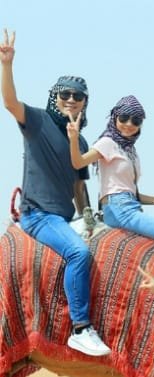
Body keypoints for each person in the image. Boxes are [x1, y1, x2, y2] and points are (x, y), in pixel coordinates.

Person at [0, 29, 111, 357]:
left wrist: (89, 216)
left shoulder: (81, 142)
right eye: (65, 94)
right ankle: (80, 328)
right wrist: (7, 64)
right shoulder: (36, 121)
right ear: (54, 97)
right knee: (78, 254)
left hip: (65, 216)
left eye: (78, 96)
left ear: (85, 102)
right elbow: (9, 102)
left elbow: (79, 186)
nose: (71, 99)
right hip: (38, 215)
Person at [67, 95, 154, 304]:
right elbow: (78, 163)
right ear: (115, 117)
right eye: (124, 118)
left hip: (129, 205)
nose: (129, 124)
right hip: (118, 209)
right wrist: (73, 139)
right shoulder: (107, 142)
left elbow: (131, 192)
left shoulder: (130, 151)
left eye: (136, 121)